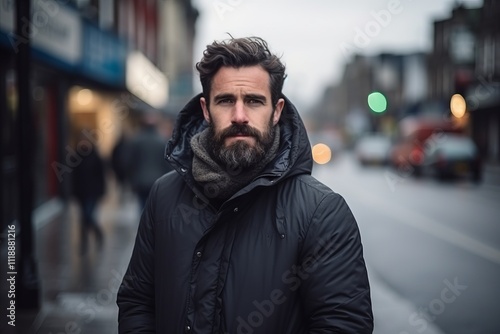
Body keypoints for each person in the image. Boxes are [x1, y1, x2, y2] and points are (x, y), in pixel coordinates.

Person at [117, 36, 373, 333]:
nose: (239, 116)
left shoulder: (322, 212)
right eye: (226, 100)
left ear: (276, 111)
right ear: (206, 109)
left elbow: (343, 324)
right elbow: (137, 301)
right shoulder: (164, 195)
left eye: (254, 101)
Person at [125, 112, 173, 209]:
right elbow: (167, 163)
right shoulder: (161, 141)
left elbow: (129, 162)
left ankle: (143, 222)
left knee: (142, 206)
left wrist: (131, 179)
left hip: (140, 181)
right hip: (158, 180)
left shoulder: (136, 140)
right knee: (154, 206)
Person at [72, 133, 106, 254]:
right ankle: (84, 243)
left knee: (87, 215)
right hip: (81, 192)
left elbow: (101, 175)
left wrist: (102, 191)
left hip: (93, 192)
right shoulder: (75, 156)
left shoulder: (95, 155)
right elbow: (73, 175)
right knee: (83, 218)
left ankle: (97, 232)